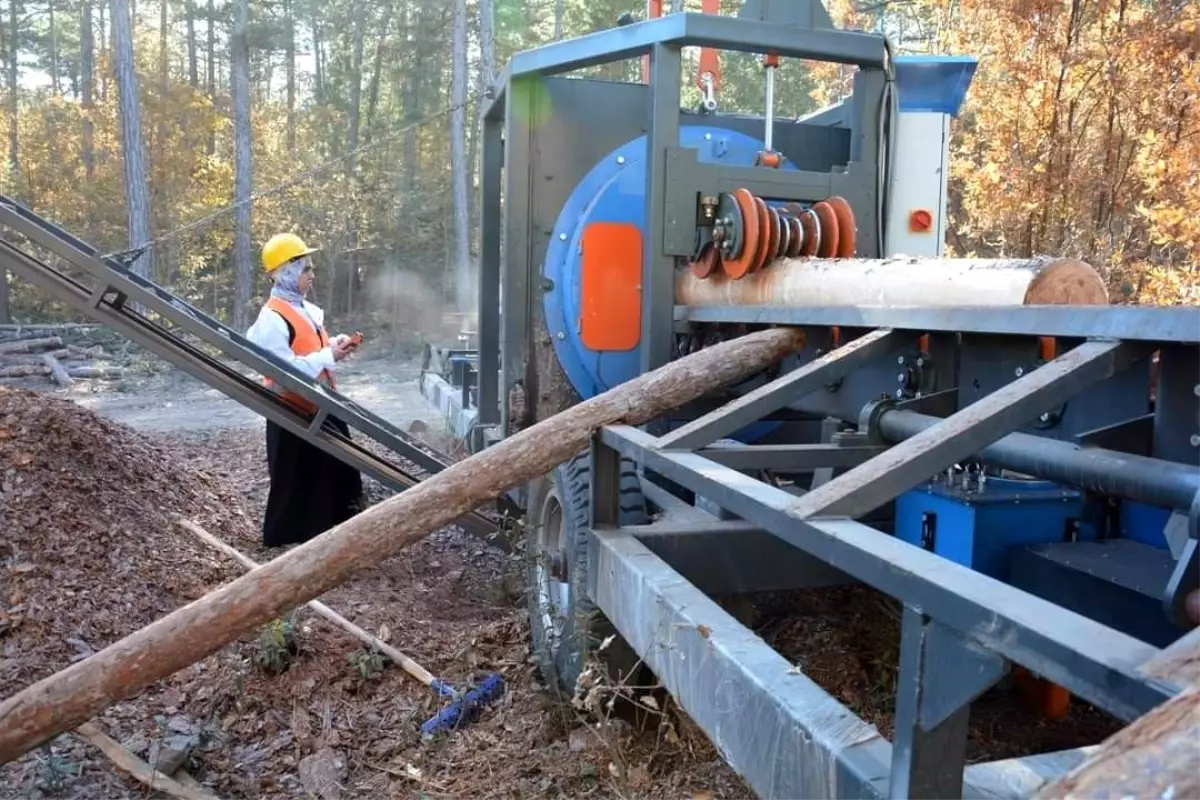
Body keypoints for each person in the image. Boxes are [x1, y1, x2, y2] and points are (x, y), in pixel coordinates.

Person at [246, 232, 365, 548]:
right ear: (286, 273)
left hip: (319, 402)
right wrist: (328, 355)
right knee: (295, 480)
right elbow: (284, 371)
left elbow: (309, 347)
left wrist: (333, 345)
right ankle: (292, 539)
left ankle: (337, 527)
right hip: (292, 409)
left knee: (338, 470)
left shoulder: (303, 309)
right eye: (305, 269)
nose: (312, 275)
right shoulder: (271, 318)